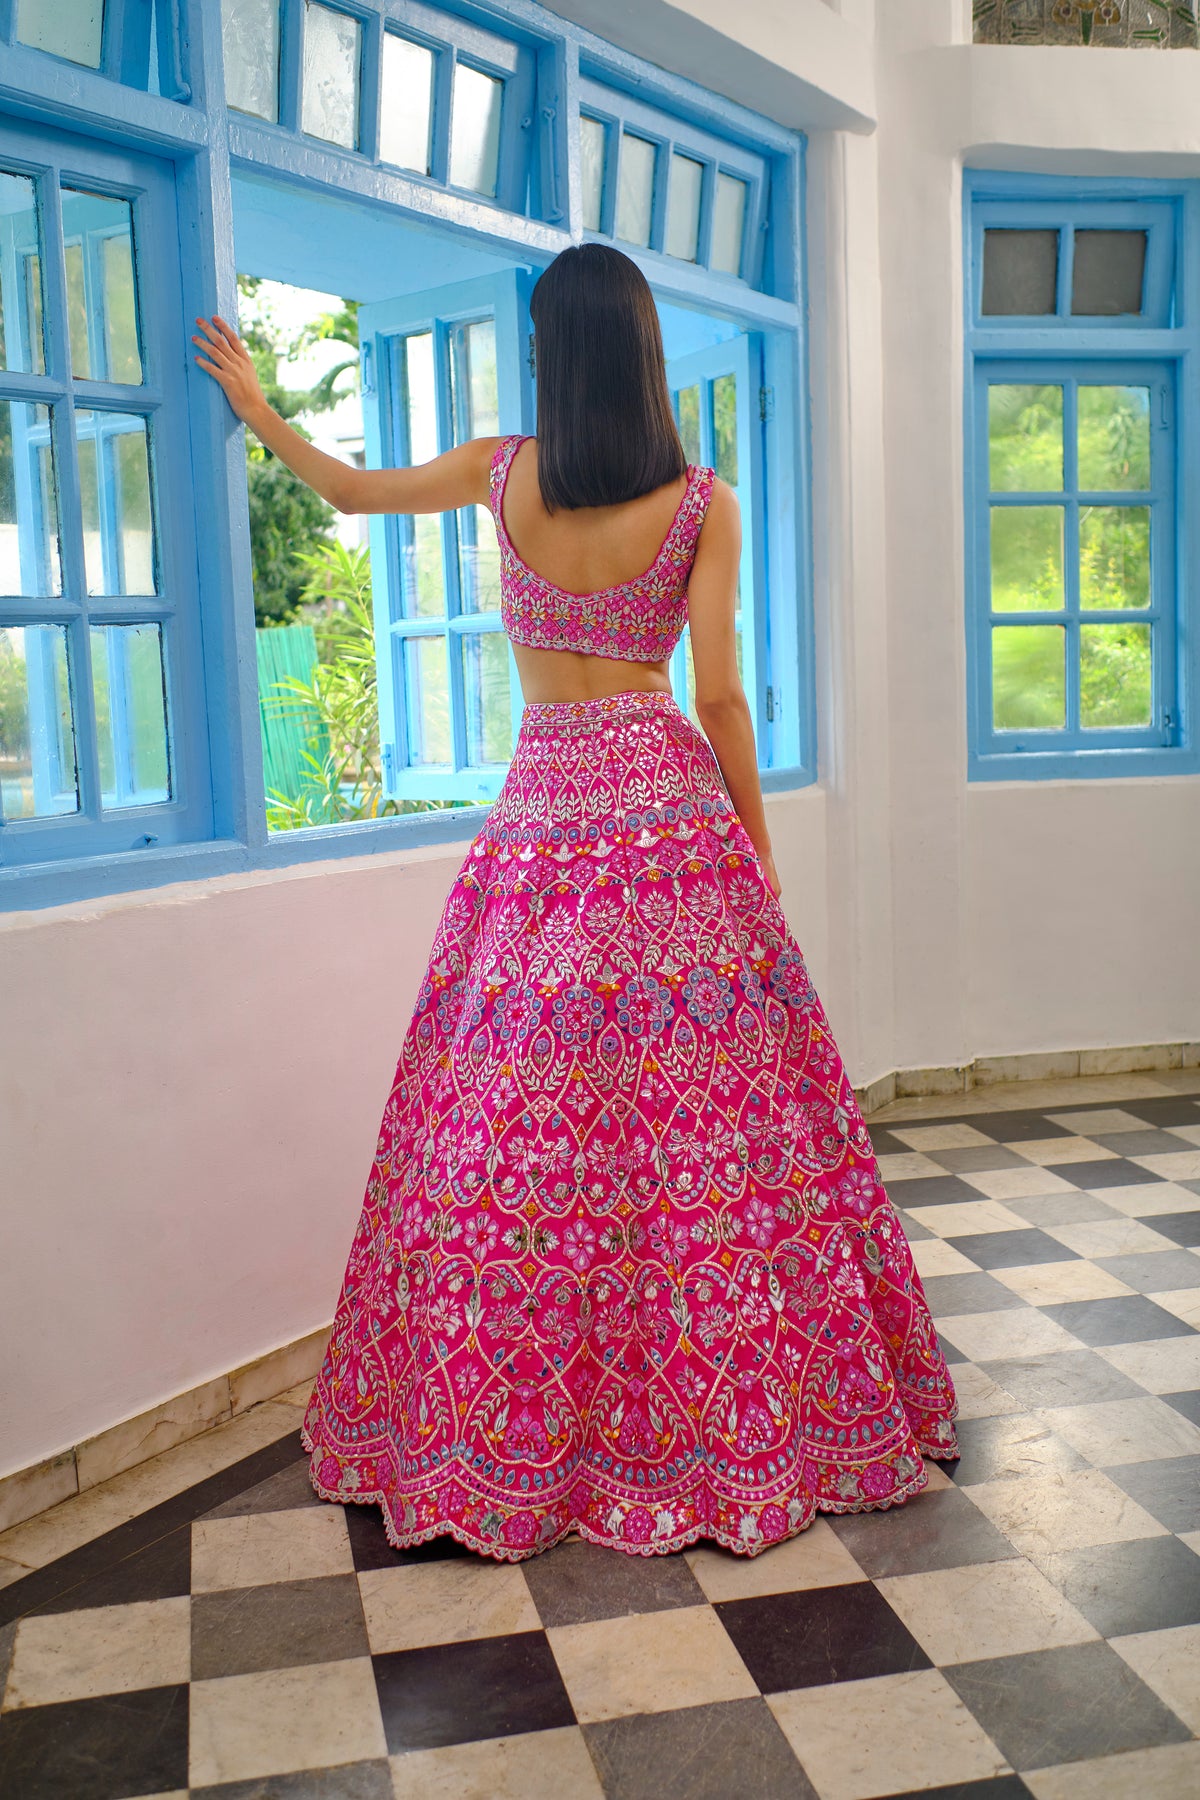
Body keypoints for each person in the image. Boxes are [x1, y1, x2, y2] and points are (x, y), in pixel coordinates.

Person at [193, 243, 958, 1561]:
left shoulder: (503, 473)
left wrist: (260, 412)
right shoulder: (701, 501)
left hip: (542, 820)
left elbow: (356, 489)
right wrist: (757, 856)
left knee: (509, 1132)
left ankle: (516, 1430)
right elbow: (721, 695)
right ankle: (745, 1414)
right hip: (670, 820)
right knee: (711, 1134)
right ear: (648, 350)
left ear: (554, 349)